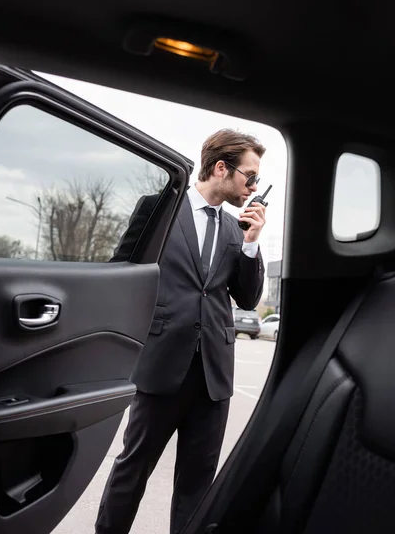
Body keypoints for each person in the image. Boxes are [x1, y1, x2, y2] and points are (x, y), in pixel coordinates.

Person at [95, 128, 267, 534]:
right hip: (161, 365)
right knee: (132, 470)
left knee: (197, 484)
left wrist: (252, 243)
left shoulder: (235, 228)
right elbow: (125, 273)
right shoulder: (158, 209)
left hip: (213, 374)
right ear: (221, 168)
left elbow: (246, 298)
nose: (254, 186)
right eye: (251, 175)